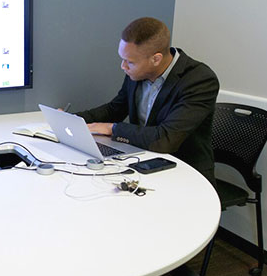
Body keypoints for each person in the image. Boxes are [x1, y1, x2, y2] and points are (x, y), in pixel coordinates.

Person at [76, 17, 219, 185]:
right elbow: (115, 109)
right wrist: (74, 120)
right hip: (143, 161)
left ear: (156, 59)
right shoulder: (138, 71)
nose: (123, 66)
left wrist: (112, 128)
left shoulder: (199, 80)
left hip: (185, 174)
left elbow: (166, 139)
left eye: (130, 61)